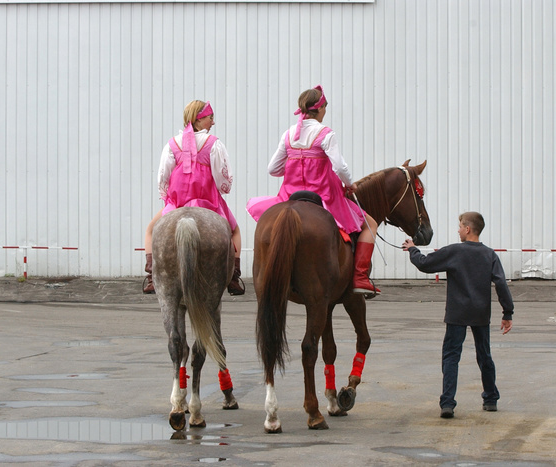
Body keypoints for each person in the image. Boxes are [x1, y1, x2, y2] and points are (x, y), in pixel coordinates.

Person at [246, 85, 380, 295]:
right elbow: (339, 166)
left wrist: (294, 164)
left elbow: (273, 169)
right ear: (320, 109)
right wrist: (350, 183)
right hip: (324, 197)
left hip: (290, 196)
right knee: (369, 225)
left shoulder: (289, 134)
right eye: (325, 107)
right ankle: (360, 277)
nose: (326, 111)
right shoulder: (326, 134)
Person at [402, 211, 513, 419]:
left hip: (457, 313)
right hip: (480, 313)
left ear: (468, 229)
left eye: (460, 226)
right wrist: (508, 312)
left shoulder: (454, 252)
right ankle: (490, 399)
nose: (458, 230)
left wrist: (412, 250)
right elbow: (500, 282)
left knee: (451, 357)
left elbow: (425, 264)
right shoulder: (490, 255)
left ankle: (447, 403)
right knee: (484, 356)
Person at [142, 100, 245, 295]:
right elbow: (222, 175)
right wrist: (224, 189)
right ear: (198, 119)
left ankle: (152, 276)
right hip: (208, 201)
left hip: (178, 202)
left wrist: (166, 197)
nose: (212, 122)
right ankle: (233, 276)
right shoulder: (214, 143)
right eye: (210, 118)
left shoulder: (172, 144)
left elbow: (163, 175)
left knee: (150, 230)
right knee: (235, 231)